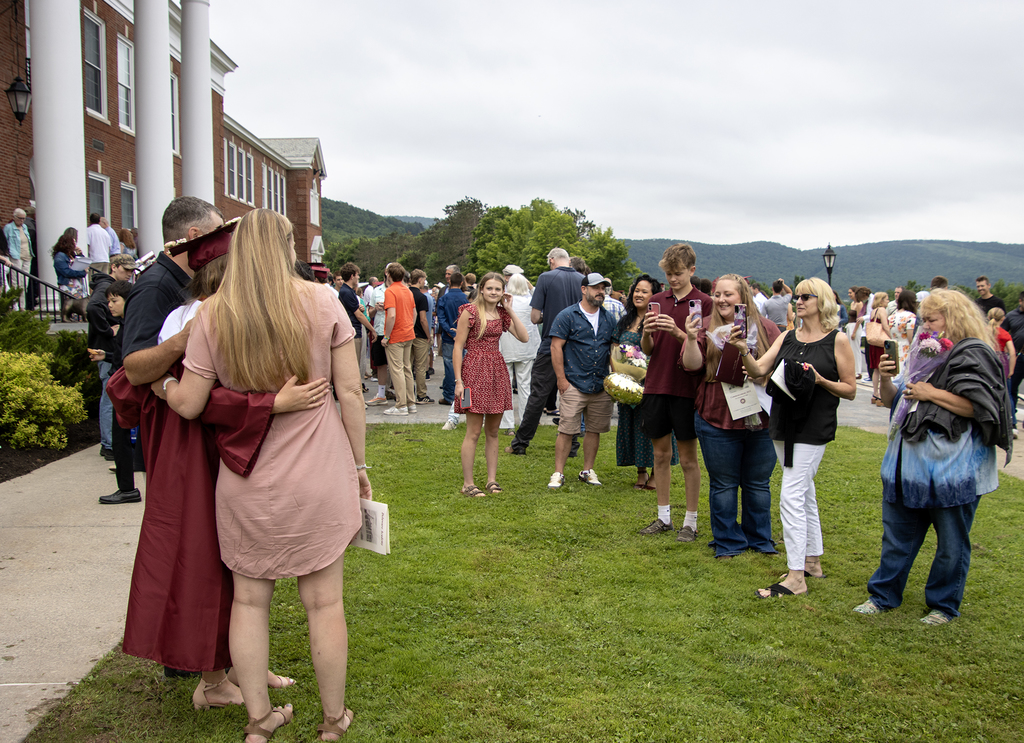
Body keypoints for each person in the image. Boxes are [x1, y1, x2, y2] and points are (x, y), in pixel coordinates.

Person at [156, 208, 370, 741]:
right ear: (286, 246)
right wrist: (360, 466)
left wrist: (159, 384)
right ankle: (332, 720)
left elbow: (188, 403)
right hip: (319, 475)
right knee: (325, 603)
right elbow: (350, 392)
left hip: (245, 480)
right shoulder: (323, 302)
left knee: (249, 602)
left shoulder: (213, 314)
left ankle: (258, 721)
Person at [108, 198, 322, 709]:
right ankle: (212, 677)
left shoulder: (203, 297)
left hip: (214, 436)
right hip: (188, 443)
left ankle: (240, 662)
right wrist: (265, 400)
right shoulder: (162, 292)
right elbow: (137, 371)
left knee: (232, 557)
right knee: (202, 554)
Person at [853, 289, 1011, 624]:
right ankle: (883, 596)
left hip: (953, 468)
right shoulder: (925, 354)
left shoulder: (975, 354)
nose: (926, 326)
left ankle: (943, 604)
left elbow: (980, 407)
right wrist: (885, 376)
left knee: (952, 542)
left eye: (932, 319)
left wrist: (931, 392)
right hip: (908, 464)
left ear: (954, 319)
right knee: (898, 535)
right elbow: (899, 401)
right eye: (925, 319)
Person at [730, 277, 856, 598]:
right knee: (805, 492)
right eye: (796, 297)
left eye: (805, 297)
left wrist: (819, 380)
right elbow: (758, 370)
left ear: (822, 301)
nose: (798, 301)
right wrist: (744, 350)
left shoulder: (837, 340)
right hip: (783, 422)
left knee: (791, 494)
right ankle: (812, 561)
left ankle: (796, 577)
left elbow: (850, 389)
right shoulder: (787, 336)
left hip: (814, 426)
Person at [682, 274, 781, 558]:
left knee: (758, 483)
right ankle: (728, 541)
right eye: (717, 294)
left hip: (761, 416)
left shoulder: (767, 328)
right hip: (717, 415)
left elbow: (781, 367)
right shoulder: (704, 326)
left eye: (728, 294)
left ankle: (759, 538)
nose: (721, 300)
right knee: (724, 483)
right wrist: (690, 339)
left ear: (744, 297)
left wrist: (763, 376)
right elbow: (692, 366)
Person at [638, 243, 712, 540]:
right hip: (657, 384)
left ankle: (690, 522)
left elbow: (704, 348)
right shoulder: (656, 299)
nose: (673, 279)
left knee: (688, 459)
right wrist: (645, 332)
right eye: (668, 274)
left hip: (686, 387)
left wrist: (678, 332)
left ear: (692, 271)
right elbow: (648, 350)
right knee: (660, 455)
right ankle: (663, 517)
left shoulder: (704, 303)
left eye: (678, 273)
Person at [453, 272, 529, 495]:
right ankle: (468, 484)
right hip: (474, 371)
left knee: (493, 431)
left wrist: (510, 309)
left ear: (503, 291)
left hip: (496, 370)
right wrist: (458, 381)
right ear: (482, 289)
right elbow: (458, 347)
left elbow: (524, 337)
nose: (493, 293)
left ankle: (491, 480)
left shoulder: (502, 314)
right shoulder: (470, 312)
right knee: (473, 431)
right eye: (490, 289)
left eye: (498, 289)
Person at [505, 249, 585, 456]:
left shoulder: (546, 277)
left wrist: (547, 317)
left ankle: (520, 443)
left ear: (551, 260)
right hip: (576, 347)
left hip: (551, 344)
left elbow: (534, 317)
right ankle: (573, 446)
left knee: (538, 395)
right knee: (572, 397)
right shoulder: (582, 279)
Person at [546, 273, 616, 489]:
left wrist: (615, 381)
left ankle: (587, 470)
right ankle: (558, 473)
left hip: (600, 384)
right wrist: (561, 380)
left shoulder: (608, 318)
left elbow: (613, 351)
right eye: (596, 288)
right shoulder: (567, 315)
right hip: (574, 382)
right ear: (584, 289)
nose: (600, 292)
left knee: (594, 430)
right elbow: (555, 347)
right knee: (567, 429)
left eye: (603, 288)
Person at [610, 274, 678, 490]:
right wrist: (619, 378)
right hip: (628, 386)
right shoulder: (625, 320)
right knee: (633, 427)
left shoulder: (659, 319)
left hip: (654, 384)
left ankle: (657, 475)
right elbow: (614, 349)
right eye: (636, 290)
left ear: (654, 295)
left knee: (656, 428)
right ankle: (641, 472)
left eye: (644, 291)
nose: (638, 294)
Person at [87, 280, 140, 504]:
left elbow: (129, 358)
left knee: (121, 438)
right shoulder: (128, 324)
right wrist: (105, 355)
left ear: (127, 301)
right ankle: (126, 487)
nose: (110, 305)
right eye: (109, 300)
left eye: (114, 300)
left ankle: (127, 488)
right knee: (122, 438)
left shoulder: (130, 325)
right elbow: (122, 357)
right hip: (124, 384)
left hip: (126, 387)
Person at [86, 254, 137, 460]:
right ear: (114, 268)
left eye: (132, 271)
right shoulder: (106, 286)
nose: (129, 274)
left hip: (108, 352)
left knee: (114, 397)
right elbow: (92, 308)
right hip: (106, 350)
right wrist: (108, 331)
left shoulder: (111, 286)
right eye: (126, 270)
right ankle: (109, 444)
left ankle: (112, 442)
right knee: (110, 398)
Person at [499, 272, 540, 435]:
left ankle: (508, 423)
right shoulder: (531, 301)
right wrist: (531, 287)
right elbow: (539, 295)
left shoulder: (505, 302)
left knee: (506, 385)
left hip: (506, 347)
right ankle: (525, 421)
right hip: (526, 348)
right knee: (524, 385)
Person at [381, 263, 416, 416]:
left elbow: (392, 315)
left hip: (396, 335)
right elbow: (413, 313)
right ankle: (411, 402)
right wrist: (409, 326)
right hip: (408, 333)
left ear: (388, 274)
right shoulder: (407, 291)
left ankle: (401, 405)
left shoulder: (390, 291)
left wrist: (387, 336)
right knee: (407, 368)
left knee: (397, 370)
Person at [337, 263, 376, 387]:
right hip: (353, 331)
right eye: (357, 275)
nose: (358, 278)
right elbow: (358, 315)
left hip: (353, 330)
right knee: (355, 366)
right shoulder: (346, 292)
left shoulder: (347, 292)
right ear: (352, 276)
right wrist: (372, 329)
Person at [437, 271, 468, 405]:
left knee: (450, 365)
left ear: (450, 282)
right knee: (465, 367)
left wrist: (450, 331)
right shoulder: (465, 299)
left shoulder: (444, 298)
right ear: (461, 283)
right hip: (464, 336)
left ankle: (449, 395)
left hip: (449, 337)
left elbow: (441, 318)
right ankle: (464, 397)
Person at [366, 271, 391, 405]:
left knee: (396, 364)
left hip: (393, 332)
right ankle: (381, 394)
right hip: (379, 329)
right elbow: (369, 312)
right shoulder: (377, 291)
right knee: (380, 363)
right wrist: (375, 308)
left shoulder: (399, 289)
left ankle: (401, 395)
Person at [410, 269, 434, 403]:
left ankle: (408, 393)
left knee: (407, 366)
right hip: (419, 334)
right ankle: (421, 394)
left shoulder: (406, 294)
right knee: (419, 366)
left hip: (406, 334)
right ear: (420, 280)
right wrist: (428, 335)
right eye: (424, 279)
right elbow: (423, 319)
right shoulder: (421, 297)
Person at [1001, 292, 1024, 434]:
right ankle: (1013, 421)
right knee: (1012, 389)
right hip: (1017, 357)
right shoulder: (1011, 316)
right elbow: (1002, 333)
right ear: (1020, 301)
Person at [866, 291, 891, 406]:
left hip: (873, 343)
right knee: (882, 368)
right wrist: (891, 337)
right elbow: (885, 326)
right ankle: (881, 395)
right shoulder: (882, 310)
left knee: (875, 369)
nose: (888, 301)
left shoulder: (873, 311)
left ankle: (875, 393)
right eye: (886, 299)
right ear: (881, 300)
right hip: (881, 342)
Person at [51, 228, 88, 297]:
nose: (75, 244)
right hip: (68, 286)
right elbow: (66, 272)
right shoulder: (60, 256)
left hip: (77, 285)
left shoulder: (71, 255)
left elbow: (82, 265)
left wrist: (80, 255)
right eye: (73, 242)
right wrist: (82, 272)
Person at [889, 290, 919, 371]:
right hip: (905, 349)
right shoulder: (910, 317)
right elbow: (911, 339)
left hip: (893, 349)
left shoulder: (892, 317)